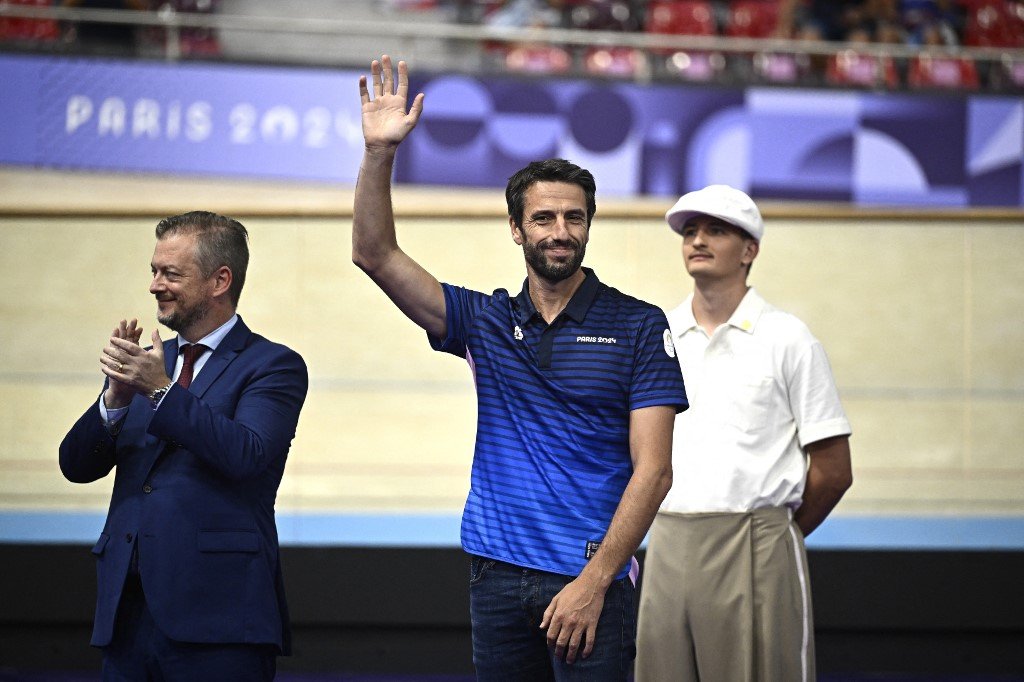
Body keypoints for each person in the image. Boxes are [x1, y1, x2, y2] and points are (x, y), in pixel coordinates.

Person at [352, 55, 688, 680]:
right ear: (516, 229)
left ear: (588, 224)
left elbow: (655, 471)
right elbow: (374, 254)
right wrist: (379, 153)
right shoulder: (482, 321)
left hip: (591, 583)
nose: (560, 231)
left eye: (574, 217)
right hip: (497, 579)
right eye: (543, 218)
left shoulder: (640, 325)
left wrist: (594, 581)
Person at [59, 211, 308, 681]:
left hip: (220, 619)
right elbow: (75, 466)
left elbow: (247, 454)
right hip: (126, 618)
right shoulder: (150, 364)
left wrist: (160, 391)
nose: (155, 285)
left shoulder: (273, 365)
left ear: (220, 281)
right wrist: (115, 400)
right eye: (154, 271)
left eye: (171, 273)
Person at [635, 185, 853, 682]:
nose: (698, 240)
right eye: (690, 231)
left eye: (716, 230)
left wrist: (776, 535)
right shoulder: (657, 336)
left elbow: (834, 470)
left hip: (757, 541)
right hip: (667, 540)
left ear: (749, 250)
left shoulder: (788, 339)